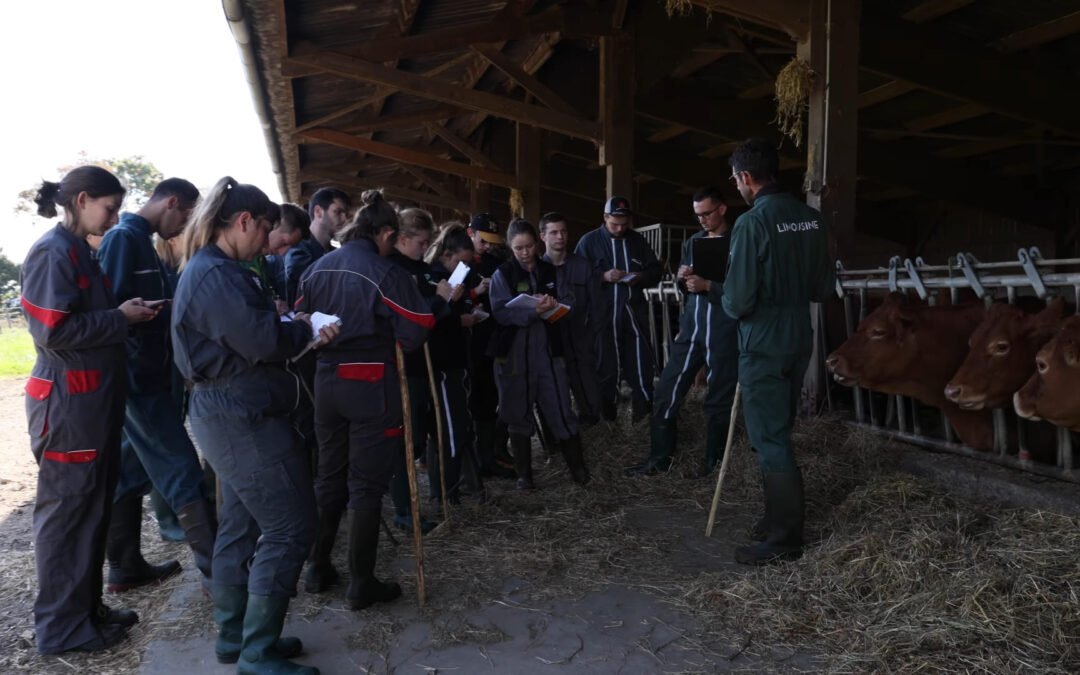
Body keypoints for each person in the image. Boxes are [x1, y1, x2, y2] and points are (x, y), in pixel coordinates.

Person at [172, 177, 337, 672]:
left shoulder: (220, 270)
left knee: (241, 525)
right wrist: (303, 327)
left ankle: (236, 636)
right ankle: (258, 652)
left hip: (232, 408)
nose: (269, 241)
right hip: (237, 413)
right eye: (265, 228)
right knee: (291, 526)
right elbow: (263, 341)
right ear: (243, 221)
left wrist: (291, 328)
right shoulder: (216, 275)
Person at [22, 166, 160, 653]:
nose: (115, 216)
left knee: (93, 509)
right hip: (67, 406)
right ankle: (61, 630)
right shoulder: (51, 252)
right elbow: (53, 332)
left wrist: (122, 315)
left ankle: (86, 612)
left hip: (91, 402)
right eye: (110, 206)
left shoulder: (80, 249)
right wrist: (118, 318)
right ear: (82, 200)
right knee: (68, 519)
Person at [295, 190, 433, 611]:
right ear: (386, 232)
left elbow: (301, 321)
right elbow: (418, 327)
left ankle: (318, 567)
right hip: (369, 381)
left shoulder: (315, 269)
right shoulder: (383, 271)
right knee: (366, 485)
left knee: (329, 476)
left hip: (325, 381)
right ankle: (361, 581)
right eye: (393, 238)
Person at [98, 178, 216, 592]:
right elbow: (108, 309)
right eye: (185, 215)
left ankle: (125, 565)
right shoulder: (123, 239)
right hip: (137, 379)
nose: (183, 226)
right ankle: (221, 579)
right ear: (171, 202)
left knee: (131, 472)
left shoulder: (142, 241)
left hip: (151, 374)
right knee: (181, 466)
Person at [722, 138, 835, 565]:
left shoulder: (752, 224)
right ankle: (775, 517)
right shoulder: (812, 220)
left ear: (746, 178)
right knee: (779, 429)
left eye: (736, 180)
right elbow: (824, 289)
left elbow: (737, 302)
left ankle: (785, 538)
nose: (737, 187)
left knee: (769, 437)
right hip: (799, 333)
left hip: (764, 337)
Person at [625, 187, 739, 478]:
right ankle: (659, 458)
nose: (702, 220)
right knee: (666, 389)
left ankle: (713, 465)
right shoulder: (694, 242)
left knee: (719, 399)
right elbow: (685, 290)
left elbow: (746, 290)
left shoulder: (739, 241)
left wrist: (709, 286)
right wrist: (681, 279)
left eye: (707, 213)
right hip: (692, 329)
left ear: (722, 209)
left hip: (724, 331)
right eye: (697, 214)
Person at [490, 219, 589, 489]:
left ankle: (578, 470)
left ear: (537, 243)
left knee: (560, 408)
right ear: (511, 247)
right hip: (514, 356)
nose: (525, 253)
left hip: (548, 353)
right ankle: (525, 476)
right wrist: (531, 311)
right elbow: (500, 311)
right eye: (518, 248)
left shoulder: (551, 271)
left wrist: (556, 305)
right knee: (517, 412)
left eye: (529, 246)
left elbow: (570, 300)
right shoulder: (503, 274)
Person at [382, 208, 449, 537]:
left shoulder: (420, 268)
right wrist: (437, 300)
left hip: (427, 362)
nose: (426, 248)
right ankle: (405, 510)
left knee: (419, 436)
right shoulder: (392, 270)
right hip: (404, 366)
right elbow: (414, 315)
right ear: (403, 238)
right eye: (421, 242)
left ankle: (419, 502)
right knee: (404, 442)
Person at [574, 196, 661, 423]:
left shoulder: (637, 241)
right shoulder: (588, 242)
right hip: (603, 315)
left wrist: (640, 277)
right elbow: (576, 276)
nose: (620, 228)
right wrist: (602, 276)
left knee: (640, 362)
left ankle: (643, 416)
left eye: (625, 223)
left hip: (633, 311)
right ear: (605, 218)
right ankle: (608, 420)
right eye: (615, 223)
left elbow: (655, 271)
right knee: (606, 367)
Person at [427, 223, 489, 502]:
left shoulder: (453, 277)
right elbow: (431, 319)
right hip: (442, 361)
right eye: (462, 262)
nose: (465, 267)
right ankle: (446, 494)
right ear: (447, 254)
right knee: (450, 428)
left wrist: (468, 308)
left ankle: (461, 488)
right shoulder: (435, 279)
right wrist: (458, 318)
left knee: (458, 424)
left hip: (456, 359)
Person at [539, 212, 603, 426]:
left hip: (580, 332)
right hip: (552, 335)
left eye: (564, 231)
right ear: (543, 236)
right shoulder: (538, 269)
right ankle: (560, 424)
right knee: (556, 381)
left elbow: (595, 302)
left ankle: (591, 418)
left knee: (586, 377)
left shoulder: (583, 265)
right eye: (554, 232)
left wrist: (594, 332)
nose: (560, 237)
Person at [283, 187, 350, 306]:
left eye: (346, 214)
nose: (345, 219)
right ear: (318, 212)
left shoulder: (335, 252)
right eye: (338, 212)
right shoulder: (298, 251)